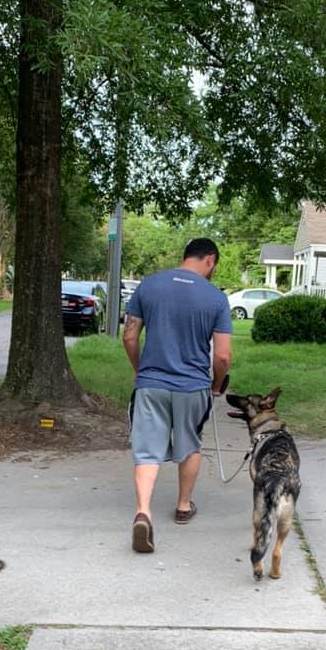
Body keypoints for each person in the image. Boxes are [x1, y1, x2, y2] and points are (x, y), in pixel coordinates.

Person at [122, 237, 232, 553]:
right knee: (189, 446)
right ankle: (183, 506)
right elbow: (223, 356)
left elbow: (129, 336)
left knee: (146, 451)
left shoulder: (149, 285)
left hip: (151, 383)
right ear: (210, 260)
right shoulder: (215, 298)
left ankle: (143, 512)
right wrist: (215, 385)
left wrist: (140, 370)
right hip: (193, 386)